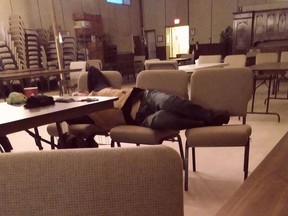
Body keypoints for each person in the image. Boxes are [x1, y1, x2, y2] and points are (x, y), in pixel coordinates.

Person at [68, 66, 229, 131]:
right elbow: (69, 119)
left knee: (167, 102)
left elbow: (92, 70)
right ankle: (203, 123)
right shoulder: (86, 113)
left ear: (82, 91)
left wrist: (88, 93)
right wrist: (75, 103)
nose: (76, 97)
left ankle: (209, 115)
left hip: (144, 97)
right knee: (162, 120)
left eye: (76, 94)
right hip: (140, 118)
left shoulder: (98, 88)